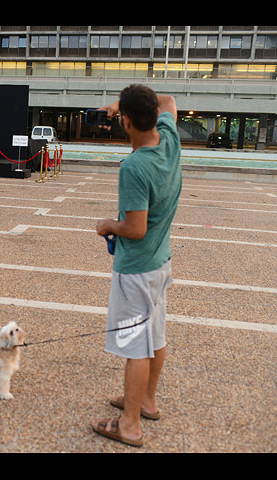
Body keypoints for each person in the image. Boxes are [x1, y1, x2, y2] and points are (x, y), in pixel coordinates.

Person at [91, 84, 181, 448]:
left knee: (134, 346)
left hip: (137, 270)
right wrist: (123, 105)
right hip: (161, 263)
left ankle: (129, 425)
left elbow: (135, 228)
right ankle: (145, 401)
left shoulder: (134, 166)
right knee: (154, 336)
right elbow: (170, 101)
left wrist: (107, 226)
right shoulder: (170, 140)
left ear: (125, 122)